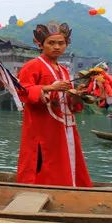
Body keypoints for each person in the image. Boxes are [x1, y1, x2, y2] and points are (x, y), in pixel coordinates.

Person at [16, 22, 92, 187]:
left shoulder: (64, 70)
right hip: (42, 128)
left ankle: (70, 189)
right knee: (43, 162)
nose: (56, 47)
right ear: (40, 44)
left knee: (67, 159)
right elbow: (23, 92)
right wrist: (50, 88)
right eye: (51, 43)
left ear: (66, 44)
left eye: (61, 43)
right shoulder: (32, 66)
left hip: (64, 127)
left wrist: (77, 95)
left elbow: (70, 104)